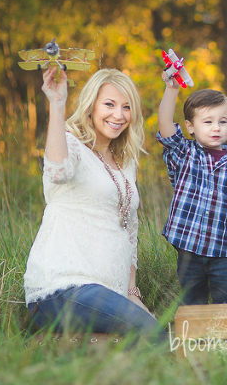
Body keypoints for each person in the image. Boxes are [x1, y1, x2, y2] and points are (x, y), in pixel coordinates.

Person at [23, 66, 160, 340]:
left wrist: (132, 294)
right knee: (152, 335)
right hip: (63, 288)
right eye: (109, 104)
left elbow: (130, 230)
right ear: (91, 106)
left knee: (152, 332)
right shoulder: (71, 144)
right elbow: (57, 170)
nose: (118, 115)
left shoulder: (125, 162)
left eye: (126, 107)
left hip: (109, 295)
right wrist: (57, 103)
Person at [157, 76, 227, 305]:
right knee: (192, 301)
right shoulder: (184, 153)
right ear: (190, 127)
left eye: (222, 122)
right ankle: (195, 339)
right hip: (188, 247)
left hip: (225, 251)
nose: (216, 128)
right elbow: (165, 124)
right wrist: (171, 88)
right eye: (208, 122)